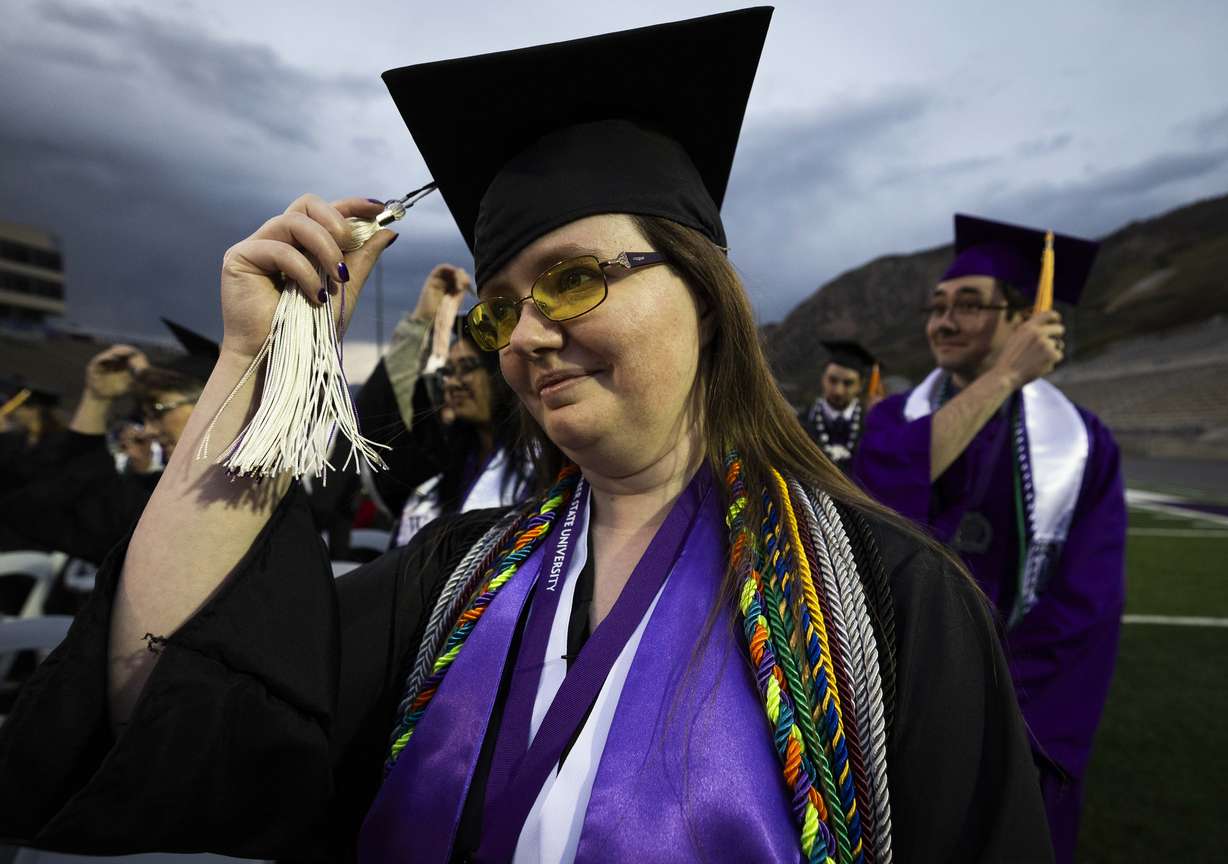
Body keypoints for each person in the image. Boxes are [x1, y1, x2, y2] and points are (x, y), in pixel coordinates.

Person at [0, 11, 1052, 863]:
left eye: (574, 276)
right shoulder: (454, 578)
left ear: (704, 294)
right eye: (499, 308)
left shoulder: (887, 604)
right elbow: (177, 702)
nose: (527, 336)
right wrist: (251, 366)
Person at [853, 213, 1127, 864]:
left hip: (1014, 722)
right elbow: (875, 510)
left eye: (969, 305)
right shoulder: (894, 421)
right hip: (891, 705)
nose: (943, 322)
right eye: (938, 306)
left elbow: (1083, 613)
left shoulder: (1083, 447)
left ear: (1022, 318)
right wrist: (1001, 378)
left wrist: (989, 713)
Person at [353, 264, 533, 548]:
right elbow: (378, 425)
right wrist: (421, 319)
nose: (453, 383)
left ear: (500, 373)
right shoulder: (445, 462)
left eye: (468, 367)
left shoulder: (544, 464)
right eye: (448, 371)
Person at [0, 323, 211, 565]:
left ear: (214, 404)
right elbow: (40, 509)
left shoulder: (227, 510)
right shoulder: (155, 496)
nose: (150, 430)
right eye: (147, 416)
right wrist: (96, 399)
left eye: (159, 410)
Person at [800, 341, 877, 473]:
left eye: (848, 383)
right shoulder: (801, 424)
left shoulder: (873, 426)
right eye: (833, 380)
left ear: (861, 385)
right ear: (823, 378)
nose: (838, 391)